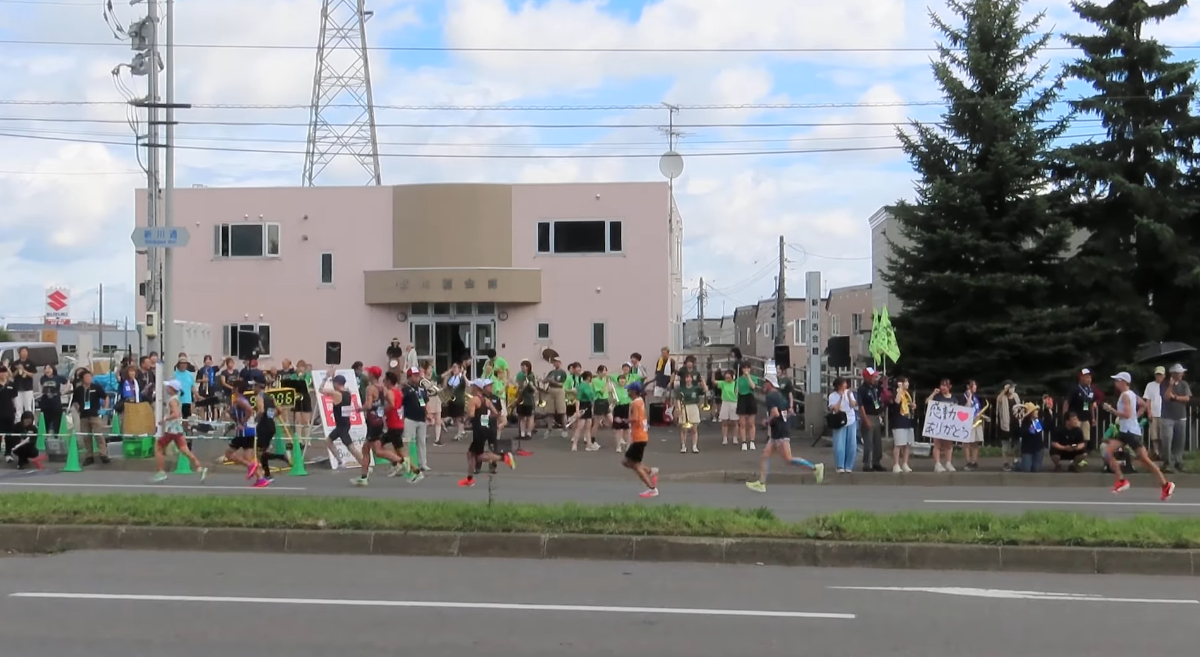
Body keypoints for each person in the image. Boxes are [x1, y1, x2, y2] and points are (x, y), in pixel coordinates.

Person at [746, 374, 824, 493]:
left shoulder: (770, 396)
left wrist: (766, 421)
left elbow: (775, 413)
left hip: (780, 431)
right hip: (779, 430)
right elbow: (790, 411)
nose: (764, 385)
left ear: (769, 384)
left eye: (765, 382)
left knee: (788, 459)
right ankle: (761, 483)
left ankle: (815, 467)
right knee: (765, 455)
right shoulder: (780, 395)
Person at [1102, 372, 1174, 499]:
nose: (1115, 383)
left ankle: (1166, 484)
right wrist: (1136, 416)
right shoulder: (1131, 394)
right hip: (1126, 431)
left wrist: (1111, 410)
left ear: (1124, 382)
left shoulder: (1125, 396)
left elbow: (1127, 414)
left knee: (1145, 460)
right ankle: (1122, 481)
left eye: (1117, 380)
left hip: (1131, 432)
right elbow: (1143, 405)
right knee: (1108, 451)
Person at [458, 379, 516, 487]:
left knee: (478, 456)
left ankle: (504, 458)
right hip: (485, 429)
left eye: (472, 386)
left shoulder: (474, 400)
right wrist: (486, 418)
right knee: (471, 454)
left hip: (478, 430)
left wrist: (465, 421)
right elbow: (496, 413)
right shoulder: (486, 400)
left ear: (476, 388)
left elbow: (471, 414)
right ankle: (469, 479)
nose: (470, 388)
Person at [152, 381, 207, 483]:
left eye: (168, 387)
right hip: (177, 429)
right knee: (184, 450)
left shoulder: (173, 400)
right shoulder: (176, 399)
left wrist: (165, 419)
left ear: (172, 388)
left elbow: (176, 414)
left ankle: (161, 472)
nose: (167, 389)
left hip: (172, 430)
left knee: (158, 447)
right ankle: (199, 467)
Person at [320, 369, 365, 471]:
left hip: (341, 425)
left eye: (333, 383)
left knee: (350, 446)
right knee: (329, 441)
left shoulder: (337, 394)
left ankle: (363, 463)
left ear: (336, 384)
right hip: (345, 422)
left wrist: (326, 377)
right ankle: (341, 461)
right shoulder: (347, 392)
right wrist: (333, 377)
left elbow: (321, 389)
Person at [382, 371, 421, 482]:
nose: (383, 382)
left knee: (379, 446)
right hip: (397, 425)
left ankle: (405, 467)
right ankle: (410, 469)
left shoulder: (391, 392)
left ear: (389, 381)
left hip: (394, 426)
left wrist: (382, 411)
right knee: (399, 452)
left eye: (385, 380)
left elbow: (392, 405)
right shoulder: (399, 392)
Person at [621, 382, 659, 498]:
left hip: (638, 437)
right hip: (641, 436)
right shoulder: (641, 401)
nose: (628, 392)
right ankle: (649, 470)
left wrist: (624, 421)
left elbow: (635, 419)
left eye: (629, 390)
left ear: (634, 391)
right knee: (626, 462)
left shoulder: (634, 403)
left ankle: (652, 488)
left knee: (635, 465)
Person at [251, 381, 288, 487]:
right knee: (263, 452)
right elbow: (279, 410)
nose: (253, 388)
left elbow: (261, 410)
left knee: (259, 452)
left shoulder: (259, 397)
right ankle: (268, 474)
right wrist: (271, 416)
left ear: (258, 387)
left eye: (254, 386)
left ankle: (280, 458)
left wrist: (254, 420)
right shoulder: (270, 397)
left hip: (263, 426)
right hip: (271, 425)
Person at [71, 369, 110, 464]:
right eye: (87, 377)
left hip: (94, 414)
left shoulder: (96, 387)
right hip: (84, 415)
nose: (89, 379)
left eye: (90, 377)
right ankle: (89, 455)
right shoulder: (79, 390)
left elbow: (106, 397)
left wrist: (104, 408)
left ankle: (103, 454)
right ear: (82, 379)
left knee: (98, 435)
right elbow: (75, 401)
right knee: (86, 436)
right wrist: (78, 410)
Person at [1159, 364, 1190, 473]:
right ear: (1173, 374)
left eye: (1181, 373)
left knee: (1179, 441)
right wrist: (1171, 386)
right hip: (1167, 417)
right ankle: (1166, 462)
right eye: (1178, 373)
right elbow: (1166, 397)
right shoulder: (1165, 384)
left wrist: (1175, 397)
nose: (1181, 375)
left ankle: (1178, 462)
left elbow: (1187, 398)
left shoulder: (1184, 384)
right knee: (1167, 440)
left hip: (1181, 416)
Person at [224, 380, 259, 477]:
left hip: (244, 431)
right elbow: (236, 418)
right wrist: (229, 413)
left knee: (228, 454)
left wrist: (242, 423)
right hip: (249, 431)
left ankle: (250, 466)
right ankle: (260, 478)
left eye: (234, 387)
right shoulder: (239, 400)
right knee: (248, 457)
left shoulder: (239, 400)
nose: (232, 389)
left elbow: (249, 410)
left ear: (237, 389)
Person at [401, 367, 431, 472]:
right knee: (409, 442)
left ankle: (423, 463)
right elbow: (400, 404)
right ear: (409, 376)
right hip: (410, 419)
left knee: (422, 442)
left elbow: (425, 402)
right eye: (415, 375)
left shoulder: (422, 388)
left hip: (421, 419)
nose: (417, 377)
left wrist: (427, 413)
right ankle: (410, 463)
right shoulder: (405, 389)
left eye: (418, 375)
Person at [857, 368, 885, 472]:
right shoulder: (862, 389)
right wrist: (865, 419)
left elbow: (878, 400)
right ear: (866, 377)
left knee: (877, 441)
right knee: (868, 442)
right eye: (872, 376)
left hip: (876, 415)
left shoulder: (875, 387)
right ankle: (867, 464)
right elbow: (861, 405)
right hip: (867, 415)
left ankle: (876, 462)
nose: (874, 378)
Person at [828, 377, 858, 473]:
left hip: (851, 419)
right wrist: (841, 397)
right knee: (839, 444)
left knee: (852, 444)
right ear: (839, 385)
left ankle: (849, 466)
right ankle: (840, 465)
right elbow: (835, 409)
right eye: (844, 383)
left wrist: (848, 396)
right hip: (839, 420)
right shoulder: (832, 396)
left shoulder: (849, 393)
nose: (846, 385)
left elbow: (853, 405)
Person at [927, 379, 957, 472]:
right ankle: (937, 464)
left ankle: (948, 462)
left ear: (949, 386)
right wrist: (933, 393)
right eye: (941, 385)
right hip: (938, 424)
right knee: (937, 444)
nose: (942, 387)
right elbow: (927, 402)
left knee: (948, 445)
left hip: (948, 424)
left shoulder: (953, 398)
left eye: (945, 385)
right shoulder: (937, 397)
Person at [889, 376, 915, 473]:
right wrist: (899, 389)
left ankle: (905, 463)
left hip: (907, 420)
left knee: (907, 444)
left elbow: (907, 404)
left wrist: (912, 405)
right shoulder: (897, 392)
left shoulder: (907, 394)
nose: (907, 384)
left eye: (907, 382)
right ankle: (896, 464)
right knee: (899, 444)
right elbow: (897, 402)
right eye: (905, 382)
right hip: (898, 421)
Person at [676, 371, 705, 453]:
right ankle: (683, 446)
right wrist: (678, 409)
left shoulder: (696, 388)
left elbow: (705, 390)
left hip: (693, 407)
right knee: (684, 429)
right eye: (686, 377)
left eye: (689, 377)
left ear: (692, 379)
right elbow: (678, 399)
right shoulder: (681, 389)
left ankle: (694, 446)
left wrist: (703, 381)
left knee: (694, 429)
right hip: (684, 407)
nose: (688, 379)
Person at [735, 362, 759, 450]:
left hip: (750, 398)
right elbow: (735, 392)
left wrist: (748, 376)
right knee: (742, 424)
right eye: (744, 368)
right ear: (741, 370)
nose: (746, 370)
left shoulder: (753, 378)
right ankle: (744, 442)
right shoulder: (738, 380)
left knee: (751, 423)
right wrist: (736, 391)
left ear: (750, 369)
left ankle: (752, 441)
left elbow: (753, 387)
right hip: (742, 399)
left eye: (747, 368)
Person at [1015, 402, 1045, 473]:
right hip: (1027, 449)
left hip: (1038, 448)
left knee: (1036, 469)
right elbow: (1023, 433)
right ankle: (1018, 464)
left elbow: (1037, 431)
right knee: (1026, 469)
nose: (1036, 412)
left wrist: (1034, 422)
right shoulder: (1024, 422)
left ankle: (1028, 463)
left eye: (1036, 410)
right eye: (1034, 411)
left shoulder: (1038, 420)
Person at [37, 364, 67, 436]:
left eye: (49, 368)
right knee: (45, 421)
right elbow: (40, 387)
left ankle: (56, 436)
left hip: (56, 403)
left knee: (56, 422)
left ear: (53, 369)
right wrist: (40, 393)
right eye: (46, 369)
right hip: (45, 403)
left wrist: (64, 391)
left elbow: (68, 382)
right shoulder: (43, 378)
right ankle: (45, 437)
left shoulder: (58, 378)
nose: (47, 370)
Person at [571, 371, 597, 451]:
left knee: (588, 427)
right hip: (583, 405)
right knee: (580, 426)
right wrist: (577, 411)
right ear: (589, 377)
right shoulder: (581, 386)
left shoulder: (589, 386)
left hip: (589, 406)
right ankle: (574, 444)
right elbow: (578, 399)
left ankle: (589, 444)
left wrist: (592, 409)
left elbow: (592, 398)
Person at [543, 356, 568, 435]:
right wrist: (545, 380)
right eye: (554, 362)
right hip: (551, 390)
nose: (555, 363)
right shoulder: (551, 372)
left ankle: (564, 428)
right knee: (550, 411)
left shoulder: (563, 373)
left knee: (562, 411)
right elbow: (545, 381)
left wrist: (553, 381)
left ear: (560, 363)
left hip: (559, 390)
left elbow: (562, 384)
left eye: (557, 362)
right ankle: (549, 428)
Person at [514, 360, 538, 444]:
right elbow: (517, 384)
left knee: (530, 416)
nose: (522, 368)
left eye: (524, 366)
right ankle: (522, 433)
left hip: (529, 399)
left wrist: (530, 385)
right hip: (521, 398)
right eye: (522, 366)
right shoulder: (520, 375)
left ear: (528, 367)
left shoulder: (531, 375)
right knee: (521, 416)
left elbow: (533, 387)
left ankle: (529, 433)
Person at [715, 369, 739, 445]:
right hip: (725, 403)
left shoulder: (736, 384)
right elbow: (714, 381)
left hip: (734, 403)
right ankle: (725, 438)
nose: (727, 378)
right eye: (726, 376)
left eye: (729, 376)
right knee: (724, 421)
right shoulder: (723, 383)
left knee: (734, 422)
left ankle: (735, 438)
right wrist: (713, 373)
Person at [11, 347, 37, 415]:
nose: (24, 353)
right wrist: (17, 370)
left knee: (28, 407)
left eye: (25, 351)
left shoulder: (30, 363)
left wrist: (23, 370)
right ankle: (18, 423)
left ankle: (30, 423)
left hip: (28, 388)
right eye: (22, 351)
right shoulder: (15, 363)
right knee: (18, 408)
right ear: (19, 353)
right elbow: (12, 375)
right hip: (17, 388)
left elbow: (32, 374)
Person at [611, 372, 632, 453]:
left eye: (623, 379)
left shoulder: (629, 389)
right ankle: (618, 446)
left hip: (627, 409)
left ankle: (628, 446)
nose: (622, 381)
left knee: (627, 430)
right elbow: (612, 400)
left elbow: (631, 402)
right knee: (618, 430)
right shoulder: (615, 390)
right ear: (618, 381)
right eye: (620, 380)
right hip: (618, 408)